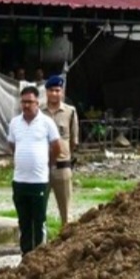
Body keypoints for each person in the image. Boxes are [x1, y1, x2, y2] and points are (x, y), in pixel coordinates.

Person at [8, 85, 61, 255]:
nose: (26, 105)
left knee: (38, 221)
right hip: (20, 180)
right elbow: (12, 145)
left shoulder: (47, 123)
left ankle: (39, 256)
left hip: (39, 181)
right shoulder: (15, 123)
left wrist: (47, 163)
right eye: (23, 102)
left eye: (30, 102)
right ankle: (25, 255)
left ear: (37, 102)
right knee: (24, 221)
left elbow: (56, 147)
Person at [41, 75, 80, 227]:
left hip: (62, 167)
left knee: (66, 213)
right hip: (42, 167)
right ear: (46, 92)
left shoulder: (70, 112)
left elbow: (73, 141)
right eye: (51, 90)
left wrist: (63, 155)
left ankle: (66, 245)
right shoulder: (39, 112)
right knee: (39, 210)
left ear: (62, 92)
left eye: (57, 90)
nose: (54, 94)